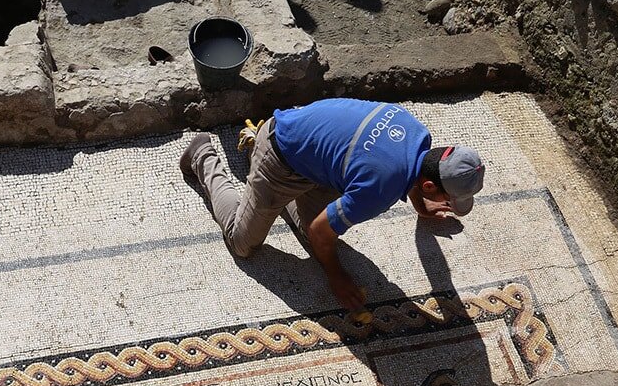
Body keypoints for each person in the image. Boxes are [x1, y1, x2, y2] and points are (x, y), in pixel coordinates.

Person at [180, 98, 485, 312]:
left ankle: (267, 180)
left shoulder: (416, 131)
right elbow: (320, 231)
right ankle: (202, 154)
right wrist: (336, 277)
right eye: (447, 198)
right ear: (429, 185)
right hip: (280, 158)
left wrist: (420, 204)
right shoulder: (379, 190)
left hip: (313, 150)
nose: (447, 204)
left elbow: (413, 168)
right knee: (244, 243)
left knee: (313, 236)